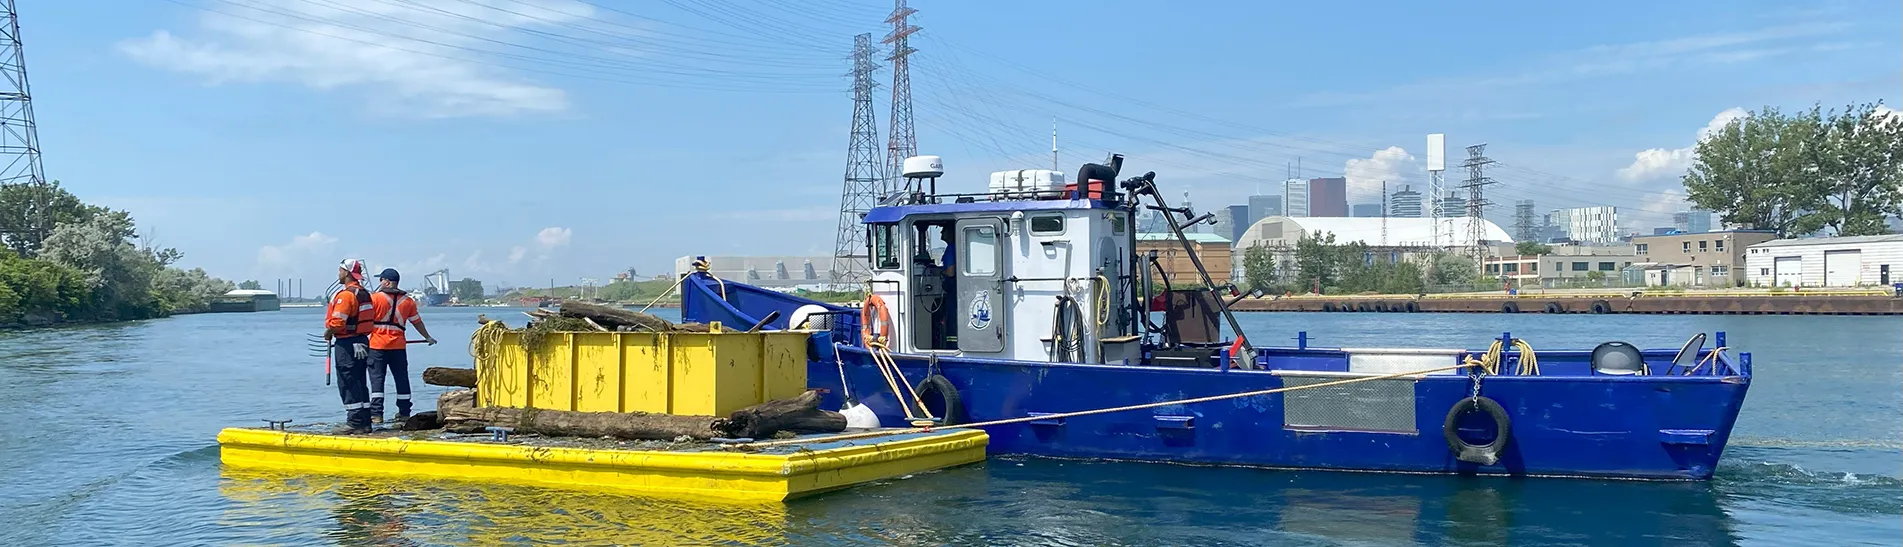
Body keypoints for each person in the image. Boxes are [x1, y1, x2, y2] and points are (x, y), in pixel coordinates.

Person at [367, 268, 436, 423]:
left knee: (377, 380)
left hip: (377, 346)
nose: (379, 283)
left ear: (387, 281)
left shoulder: (375, 299)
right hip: (398, 346)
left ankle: (376, 415)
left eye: (381, 280)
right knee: (402, 379)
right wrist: (427, 337)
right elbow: (417, 322)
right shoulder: (408, 301)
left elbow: (365, 321)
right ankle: (404, 413)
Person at [324, 259, 377, 434]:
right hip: (362, 341)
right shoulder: (364, 293)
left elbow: (339, 322)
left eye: (340, 271)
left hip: (346, 343)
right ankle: (365, 421)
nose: (338, 274)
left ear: (346, 273)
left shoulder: (346, 295)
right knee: (361, 381)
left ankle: (354, 422)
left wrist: (329, 331)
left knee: (347, 381)